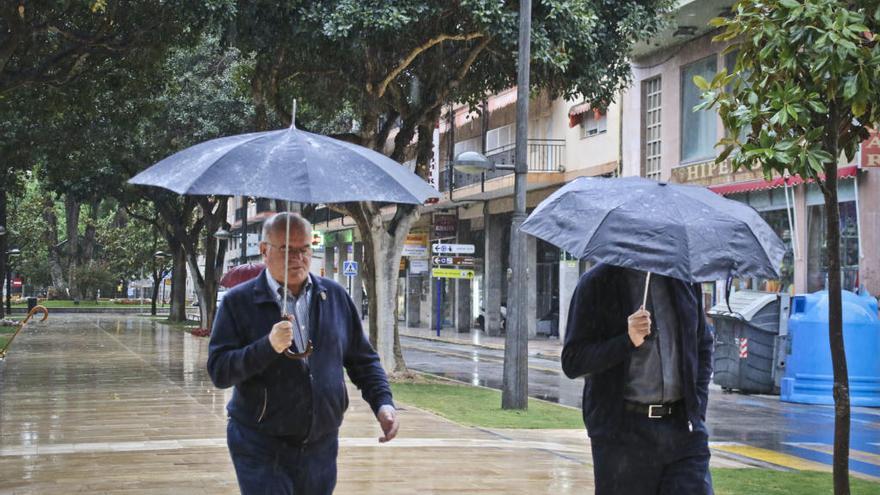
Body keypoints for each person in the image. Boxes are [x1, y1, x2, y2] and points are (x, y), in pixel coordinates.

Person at [208, 212, 399, 495]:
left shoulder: (334, 296)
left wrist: (383, 403)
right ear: (264, 250)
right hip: (260, 442)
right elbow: (220, 371)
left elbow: (363, 360)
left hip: (320, 442)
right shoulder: (239, 302)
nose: (298, 257)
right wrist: (267, 347)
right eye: (287, 249)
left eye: (305, 249)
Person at [561, 264, 714, 495]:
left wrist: (698, 407)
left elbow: (702, 345)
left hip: (683, 430)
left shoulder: (685, 281)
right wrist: (627, 339)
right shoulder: (597, 283)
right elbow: (573, 361)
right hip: (623, 434)